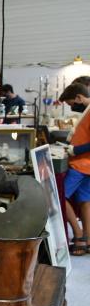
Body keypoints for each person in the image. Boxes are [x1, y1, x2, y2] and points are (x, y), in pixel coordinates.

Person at [57, 81, 90, 253]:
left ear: (79, 97)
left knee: (60, 196)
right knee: (85, 201)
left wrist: (75, 150)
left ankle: (78, 236)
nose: (71, 108)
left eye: (71, 104)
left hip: (81, 165)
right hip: (86, 165)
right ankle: (87, 239)